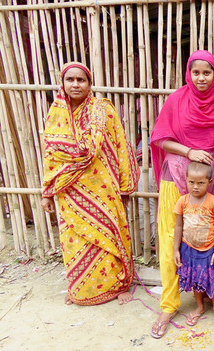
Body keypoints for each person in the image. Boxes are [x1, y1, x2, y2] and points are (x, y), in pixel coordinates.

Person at [150, 50, 214, 339]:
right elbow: (160, 137)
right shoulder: (177, 100)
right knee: (170, 241)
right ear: (188, 73)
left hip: (209, 183)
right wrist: (188, 151)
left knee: (207, 240)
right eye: (196, 72)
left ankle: (209, 296)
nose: (201, 78)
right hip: (174, 179)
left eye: (207, 72)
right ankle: (169, 304)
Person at [41, 62, 140, 306]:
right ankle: (80, 289)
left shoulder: (103, 110)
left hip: (104, 189)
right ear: (63, 84)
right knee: (76, 240)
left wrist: (125, 185)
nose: (75, 84)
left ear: (89, 83)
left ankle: (117, 287)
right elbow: (51, 155)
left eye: (81, 80)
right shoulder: (56, 113)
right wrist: (47, 191)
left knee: (108, 236)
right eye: (70, 79)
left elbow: (120, 146)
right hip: (70, 190)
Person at [172, 162, 214, 329]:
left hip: (209, 250)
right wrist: (176, 249)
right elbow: (178, 226)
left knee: (212, 280)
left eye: (200, 183)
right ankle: (200, 307)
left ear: (210, 182)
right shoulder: (182, 201)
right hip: (188, 249)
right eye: (191, 182)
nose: (195, 187)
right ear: (186, 180)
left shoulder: (213, 202)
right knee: (196, 281)